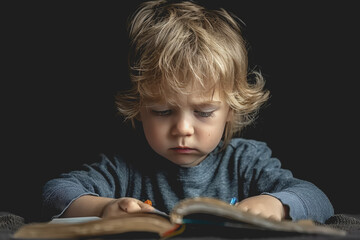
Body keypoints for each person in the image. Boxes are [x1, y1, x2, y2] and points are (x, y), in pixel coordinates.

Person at [41, 0, 334, 223]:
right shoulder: (124, 166)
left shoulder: (247, 161)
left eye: (204, 112)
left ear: (230, 111)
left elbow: (318, 199)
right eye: (162, 111)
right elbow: (54, 192)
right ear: (139, 110)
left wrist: (275, 204)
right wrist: (103, 207)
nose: (183, 129)